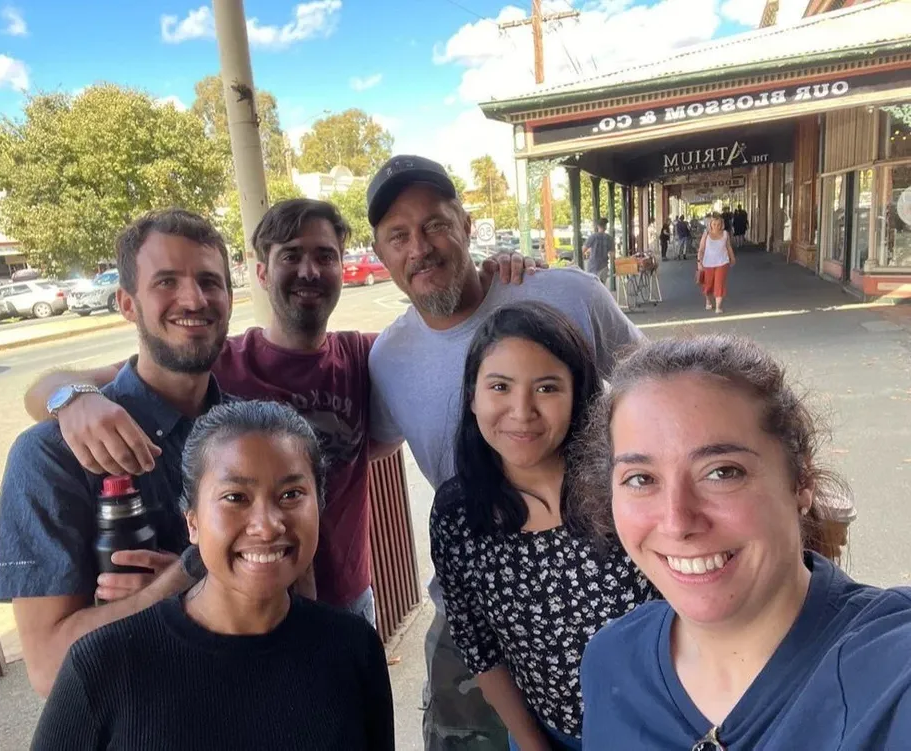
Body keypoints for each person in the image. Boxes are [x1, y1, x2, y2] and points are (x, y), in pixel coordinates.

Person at [21, 199, 531, 628]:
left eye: (325, 256)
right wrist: (71, 399)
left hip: (348, 599)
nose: (309, 271)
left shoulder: (367, 356)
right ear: (262, 273)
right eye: (291, 255)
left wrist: (496, 280)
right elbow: (64, 385)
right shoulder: (216, 359)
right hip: (252, 604)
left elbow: (447, 341)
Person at [364, 154, 644, 749]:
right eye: (398, 235)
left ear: (467, 226)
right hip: (479, 593)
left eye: (436, 225)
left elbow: (657, 391)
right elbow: (358, 445)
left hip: (609, 591)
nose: (420, 248)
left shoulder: (567, 293)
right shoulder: (386, 358)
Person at [574, 335, 911, 750]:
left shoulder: (891, 674)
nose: (677, 522)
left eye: (722, 472)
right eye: (641, 479)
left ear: (801, 481)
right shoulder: (612, 663)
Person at [31, 400, 395, 750]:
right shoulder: (103, 667)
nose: (267, 526)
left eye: (291, 494)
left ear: (319, 505)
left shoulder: (353, 648)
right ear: (192, 521)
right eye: (235, 497)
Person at [0, 209, 235, 696]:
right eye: (166, 281)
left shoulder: (255, 434)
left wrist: (191, 580)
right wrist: (190, 577)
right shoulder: (51, 456)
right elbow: (50, 668)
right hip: (141, 721)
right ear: (127, 304)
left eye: (210, 281)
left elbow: (299, 589)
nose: (194, 299)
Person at [430, 303, 654, 750]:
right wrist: (534, 745)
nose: (522, 411)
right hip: (547, 735)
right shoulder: (458, 514)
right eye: (500, 387)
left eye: (547, 388)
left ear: (579, 395)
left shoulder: (627, 484)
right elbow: (480, 648)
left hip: (664, 731)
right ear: (472, 396)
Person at [697, 213, 736, 315]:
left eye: (719, 224)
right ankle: (708, 300)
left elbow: (728, 246)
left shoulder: (725, 234)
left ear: (722, 224)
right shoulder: (706, 234)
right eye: (714, 224)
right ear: (710, 224)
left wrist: (732, 257)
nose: (716, 226)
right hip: (708, 263)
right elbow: (701, 249)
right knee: (708, 285)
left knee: (719, 284)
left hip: (722, 262)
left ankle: (718, 307)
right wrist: (699, 262)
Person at [581, 217, 614, 283]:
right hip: (604, 266)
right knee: (602, 286)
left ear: (598, 226)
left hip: (593, 267)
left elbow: (582, 250)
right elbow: (612, 255)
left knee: (592, 286)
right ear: (605, 227)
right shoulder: (609, 238)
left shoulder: (593, 237)